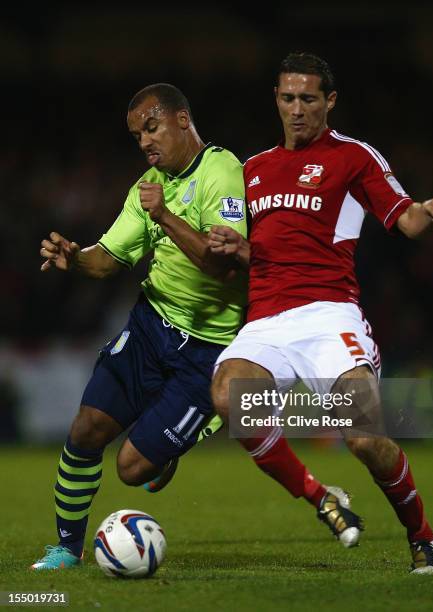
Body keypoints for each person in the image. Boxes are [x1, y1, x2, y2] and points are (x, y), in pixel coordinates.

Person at [33, 83, 357, 570]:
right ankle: (65, 547)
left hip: (208, 351)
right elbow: (107, 260)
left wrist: (162, 213)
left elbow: (221, 265)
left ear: (182, 120)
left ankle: (190, 431)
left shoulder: (222, 173)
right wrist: (75, 259)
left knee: (131, 469)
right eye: (136, 135)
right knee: (86, 430)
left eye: (151, 127)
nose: (144, 142)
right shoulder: (147, 185)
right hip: (151, 327)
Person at [210, 52, 433, 575]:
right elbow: (265, 255)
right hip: (267, 319)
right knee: (229, 394)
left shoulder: (353, 157)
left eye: (308, 99)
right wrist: (236, 245)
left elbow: (406, 221)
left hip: (330, 315)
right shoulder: (253, 169)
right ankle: (321, 495)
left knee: (365, 438)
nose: (297, 109)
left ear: (330, 101)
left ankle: (422, 534)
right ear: (276, 99)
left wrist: (429, 212)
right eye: (287, 98)